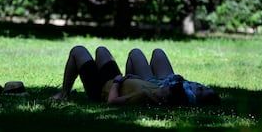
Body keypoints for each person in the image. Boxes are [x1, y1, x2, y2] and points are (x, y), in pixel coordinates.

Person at [52, 45, 188, 106]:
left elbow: (113, 101)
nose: (166, 85)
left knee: (77, 51)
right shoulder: (156, 88)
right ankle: (64, 92)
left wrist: (117, 82)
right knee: (102, 50)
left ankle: (64, 94)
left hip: (101, 89)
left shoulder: (145, 96)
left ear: (165, 99)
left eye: (168, 88)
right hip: (114, 79)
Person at [125, 48, 220, 106]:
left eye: (201, 91)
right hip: (168, 80)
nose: (201, 87)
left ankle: (127, 86)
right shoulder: (189, 89)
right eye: (205, 87)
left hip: (155, 86)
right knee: (158, 52)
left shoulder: (184, 98)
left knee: (135, 53)